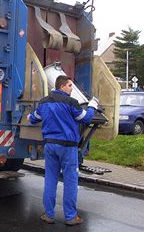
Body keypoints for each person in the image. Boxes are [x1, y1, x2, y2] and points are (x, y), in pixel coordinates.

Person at [28, 75, 99, 226]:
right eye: (70, 85)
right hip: (67, 147)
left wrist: (29, 116)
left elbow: (34, 118)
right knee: (70, 181)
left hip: (50, 146)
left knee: (50, 179)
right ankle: (70, 216)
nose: (72, 88)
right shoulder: (71, 102)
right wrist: (93, 106)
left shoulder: (44, 102)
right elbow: (85, 119)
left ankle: (48, 214)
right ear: (61, 87)